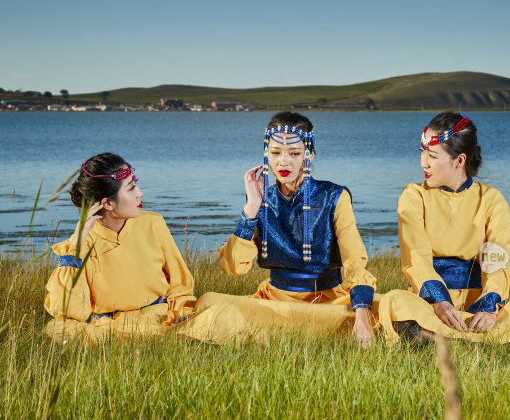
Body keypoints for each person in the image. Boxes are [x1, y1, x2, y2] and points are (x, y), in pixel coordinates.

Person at [177, 112, 376, 347]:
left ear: (309, 156)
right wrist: (251, 209)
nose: (284, 162)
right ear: (266, 155)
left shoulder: (334, 196)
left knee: (397, 304)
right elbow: (232, 268)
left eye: (294, 154)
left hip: (328, 303)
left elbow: (355, 261)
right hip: (273, 303)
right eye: (275, 153)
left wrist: (362, 315)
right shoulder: (263, 200)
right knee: (211, 300)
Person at [378, 112, 510, 343]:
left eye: (432, 155)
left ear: (459, 160)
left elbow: (498, 260)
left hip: (479, 308)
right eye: (422, 153)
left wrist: (489, 307)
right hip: (431, 306)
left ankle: (444, 339)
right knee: (395, 301)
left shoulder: (491, 198)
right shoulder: (414, 195)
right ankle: (501, 340)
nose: (424, 162)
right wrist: (440, 302)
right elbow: (416, 258)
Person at [44, 153, 195, 343]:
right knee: (60, 329)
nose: (140, 192)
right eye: (131, 188)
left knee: (225, 310)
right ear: (107, 203)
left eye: (135, 184)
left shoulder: (153, 223)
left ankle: (170, 335)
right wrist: (76, 248)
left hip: (161, 317)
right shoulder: (83, 243)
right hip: (110, 329)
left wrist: (179, 315)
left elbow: (180, 286)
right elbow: (70, 312)